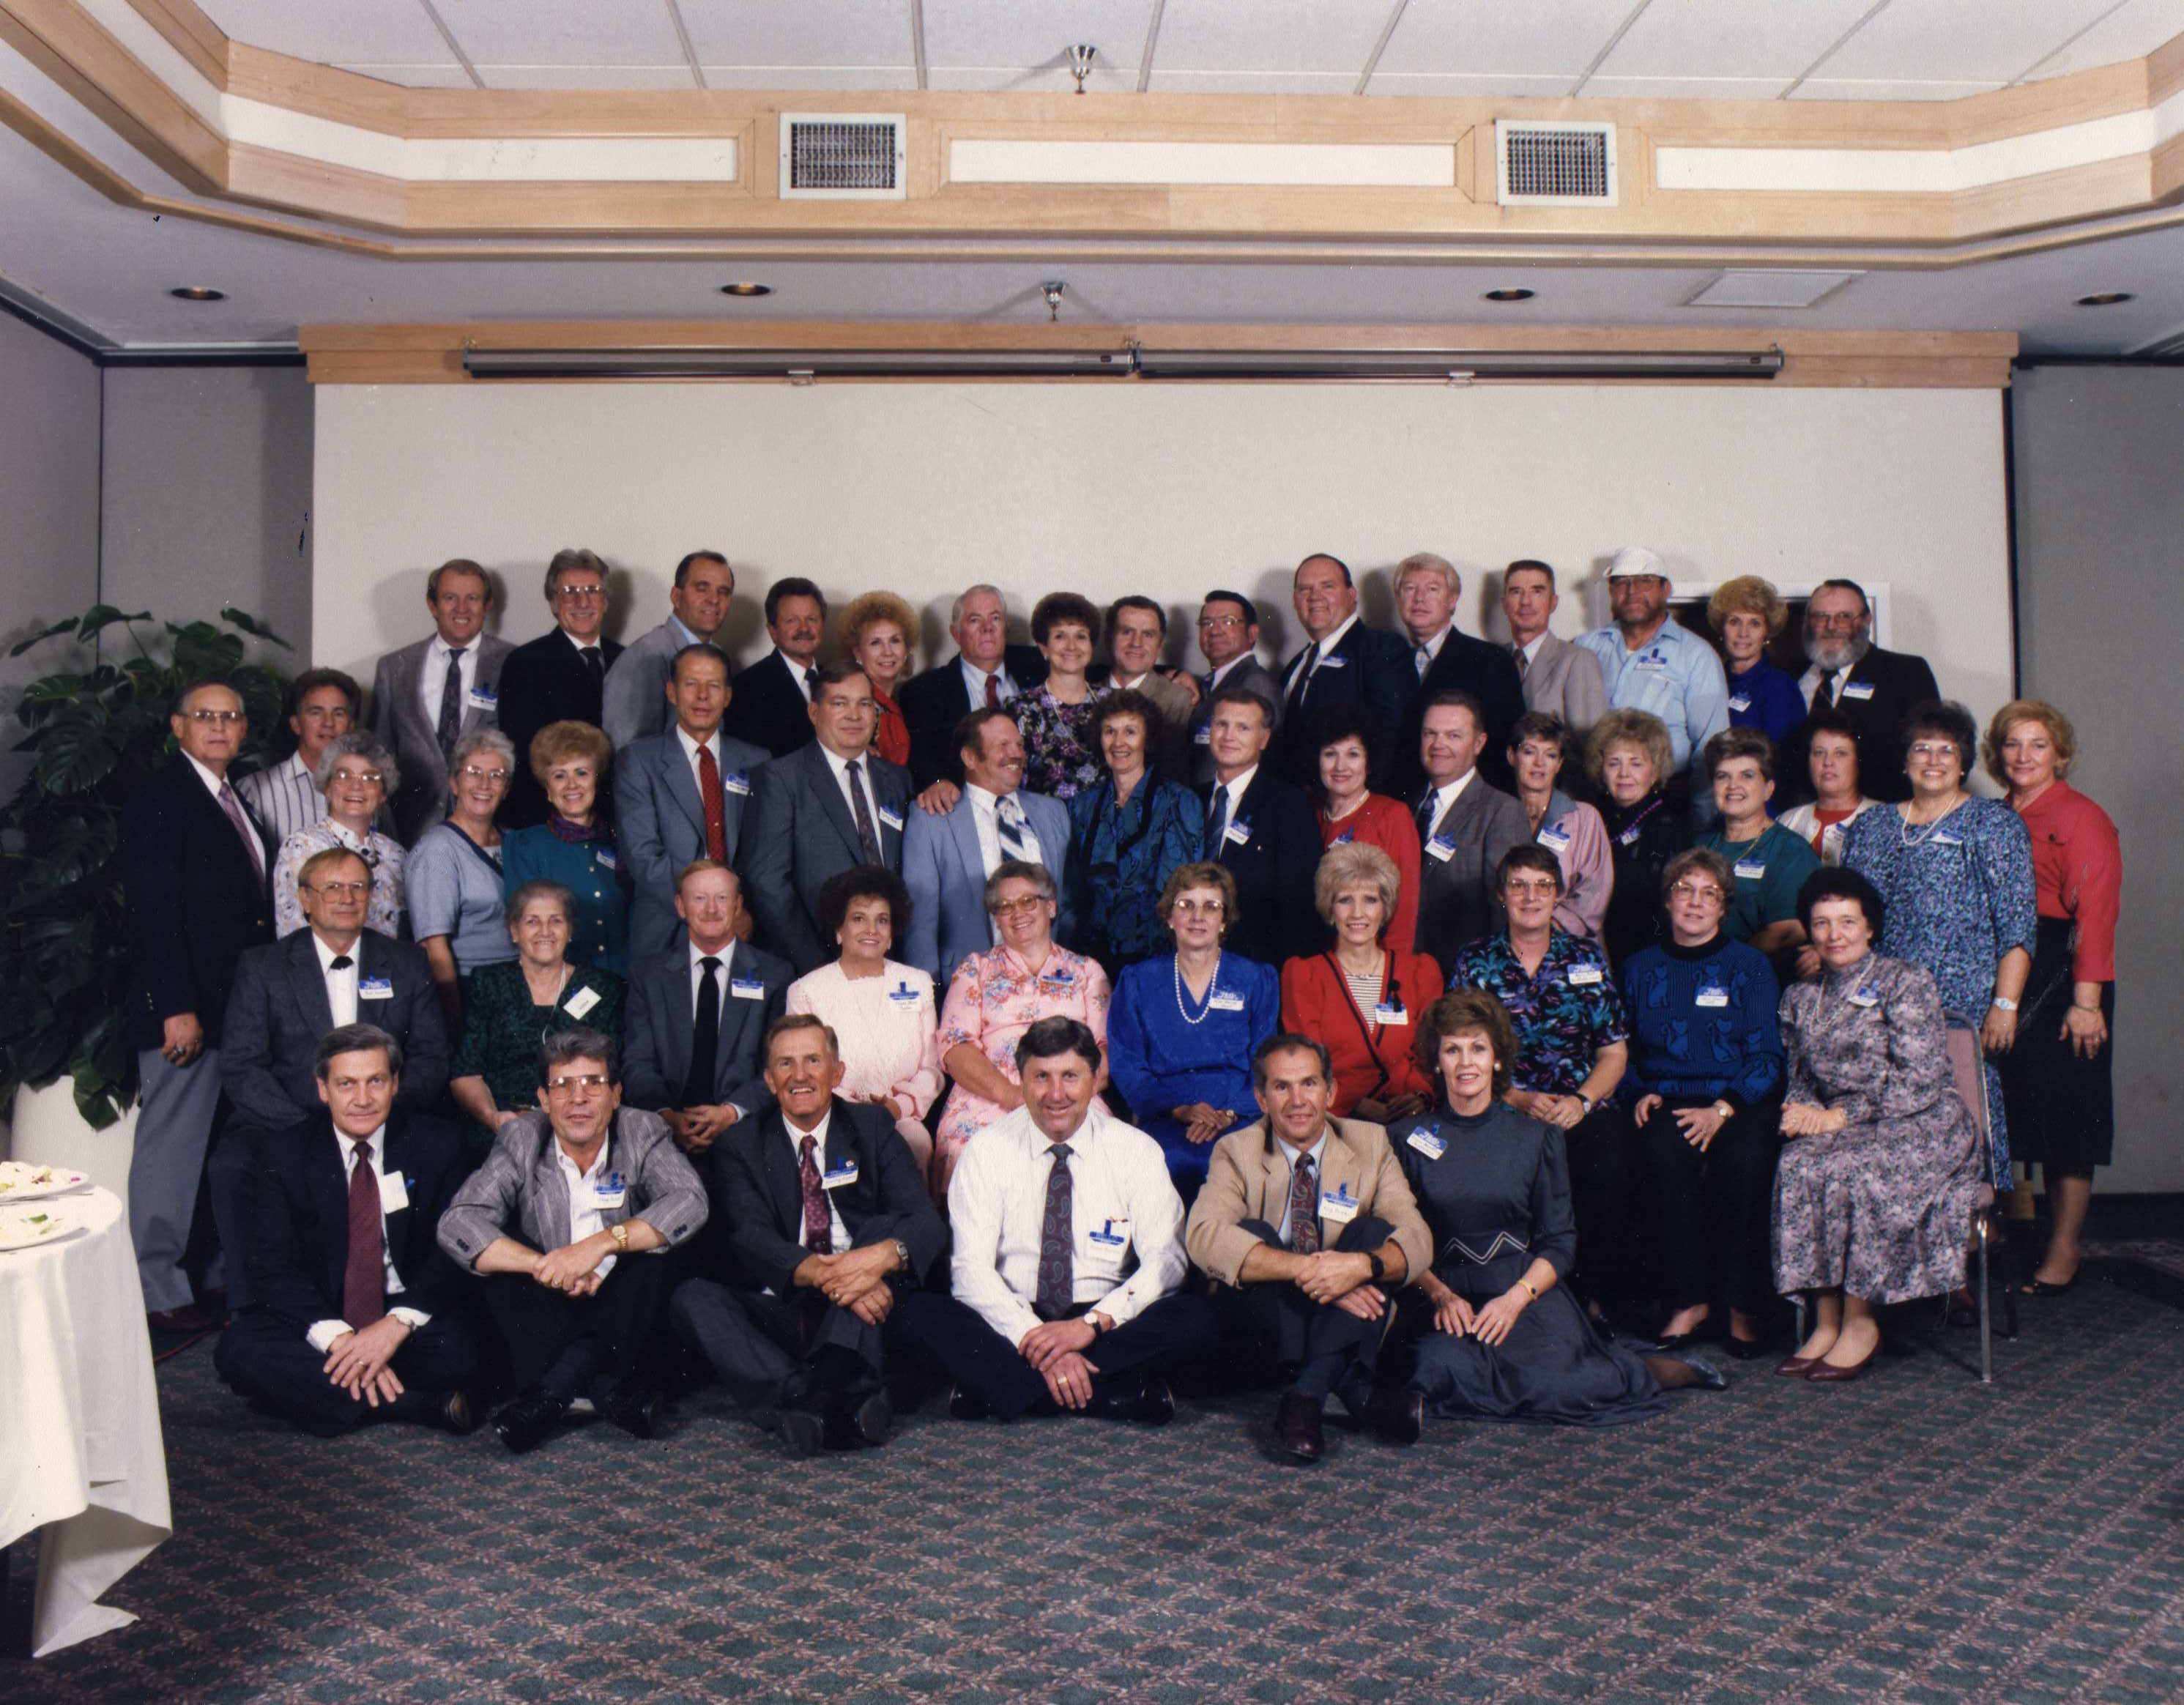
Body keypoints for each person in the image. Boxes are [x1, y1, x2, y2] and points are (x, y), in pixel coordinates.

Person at [1392, 991, 1717, 1426]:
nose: (1466, 1062)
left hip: (1523, 1290)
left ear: (1497, 1059)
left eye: (1478, 1048)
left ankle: (1650, 1371)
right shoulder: (1405, 1138)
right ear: (1436, 1061)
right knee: (1432, 1368)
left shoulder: (1535, 1138)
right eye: (1453, 1049)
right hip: (1445, 1293)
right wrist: (1440, 1295)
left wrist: (1513, 1302)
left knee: (1561, 1385)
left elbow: (1560, 1242)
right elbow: (1397, 1236)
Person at [892, 1017, 1216, 1425]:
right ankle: (1112, 1396)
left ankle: (1005, 1392)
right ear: (1021, 1080)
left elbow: (1166, 1261)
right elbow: (970, 1270)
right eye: (1041, 1077)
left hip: (1102, 1319)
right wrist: (1031, 1335)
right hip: (1011, 1317)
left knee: (1196, 1318)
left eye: (1070, 1076)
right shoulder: (986, 1150)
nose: (1056, 1094)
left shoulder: (1135, 1150)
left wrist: (1090, 1325)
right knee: (915, 1312)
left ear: (1095, 1079)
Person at [669, 1014, 946, 1455]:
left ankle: (810, 1406)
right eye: (785, 1064)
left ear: (836, 1072)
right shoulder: (741, 1142)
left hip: (867, 1297)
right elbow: (750, 1236)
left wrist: (874, 1260)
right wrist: (829, 1275)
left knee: (876, 1235)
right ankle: (835, 1394)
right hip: (792, 1296)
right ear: (768, 1079)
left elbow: (922, 1220)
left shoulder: (872, 1126)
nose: (800, 1076)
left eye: (813, 1061)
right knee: (692, 1299)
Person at [439, 1027, 710, 1451]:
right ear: (544, 1100)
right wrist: (544, 1265)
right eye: (562, 1086)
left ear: (616, 1094)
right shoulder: (522, 1138)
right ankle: (607, 1392)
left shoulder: (642, 1131)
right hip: (550, 1300)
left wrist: (598, 1246)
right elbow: (459, 1221)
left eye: (593, 1083)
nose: (578, 1098)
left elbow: (689, 1201)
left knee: (657, 1256)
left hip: (623, 1299)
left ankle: (551, 1395)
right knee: (498, 1256)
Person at [214, 1025, 478, 1437]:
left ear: (395, 1084)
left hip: (404, 1315)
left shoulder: (440, 1143)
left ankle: (330, 1392)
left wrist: (395, 1326)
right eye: (346, 1084)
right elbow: (271, 1265)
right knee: (240, 1351)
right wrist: (339, 1340)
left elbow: (452, 1252)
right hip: (327, 1313)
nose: (361, 1099)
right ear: (323, 1089)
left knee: (464, 1348)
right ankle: (416, 1405)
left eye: (375, 1081)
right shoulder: (284, 1152)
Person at [1773, 869, 1983, 1382]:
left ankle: (1861, 1320)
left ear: (1870, 927)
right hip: (1842, 1124)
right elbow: (1800, 1079)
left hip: (1923, 1121)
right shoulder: (1800, 997)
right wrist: (1800, 1115)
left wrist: (1836, 1118)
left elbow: (1922, 1079)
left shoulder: (1904, 981)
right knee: (1799, 1163)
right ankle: (1824, 1321)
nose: (1834, 934)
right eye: (1821, 923)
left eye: (1848, 921)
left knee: (1855, 1166)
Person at [1184, 1034, 1432, 1463]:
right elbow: (1203, 1235)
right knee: (1252, 1230)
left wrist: (1360, 1266)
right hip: (1269, 1324)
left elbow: (1417, 1238)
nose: (1297, 1101)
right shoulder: (1236, 1150)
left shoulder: (1371, 1143)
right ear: (1261, 1099)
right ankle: (1358, 1395)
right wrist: (1308, 1272)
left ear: (1331, 1092)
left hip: (1346, 1310)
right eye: (1282, 1087)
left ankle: (1305, 1399)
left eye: (1309, 1084)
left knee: (1372, 1230)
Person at [120, 678, 275, 1329]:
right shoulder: (162, 796)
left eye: (231, 717)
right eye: (204, 716)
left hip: (229, 1008)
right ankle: (155, 1292)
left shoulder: (230, 798)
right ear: (177, 727)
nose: (219, 726)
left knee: (213, 1149)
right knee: (172, 1149)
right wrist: (174, 1006)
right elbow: (155, 913)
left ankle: (203, 1279)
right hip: (186, 1011)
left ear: (244, 731)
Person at [1844, 700, 2035, 1193]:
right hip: (1882, 1005)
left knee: (1963, 1119)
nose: (1933, 759)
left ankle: (1967, 1247)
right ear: (1904, 760)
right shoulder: (1871, 827)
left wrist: (2005, 1005)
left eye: (1946, 750)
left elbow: (2017, 926)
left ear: (1965, 761)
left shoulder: (1993, 824)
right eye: (1921, 749)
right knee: (1888, 1124)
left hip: (1963, 1006)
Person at [1449, 846, 1635, 1312]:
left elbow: (1614, 1052)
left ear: (1559, 896)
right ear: (1500, 895)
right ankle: (1523, 1300)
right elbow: (1455, 1049)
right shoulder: (1475, 962)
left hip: (1579, 1105)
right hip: (1501, 1105)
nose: (1530, 897)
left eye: (1543, 886)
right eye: (1518, 885)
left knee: (1609, 1156)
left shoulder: (1586, 958)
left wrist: (1582, 1101)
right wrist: (1514, 1096)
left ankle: (1592, 1301)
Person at [1619, 850, 1784, 1358]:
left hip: (1736, 1096)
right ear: (1668, 901)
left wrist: (1724, 1110)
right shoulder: (1639, 966)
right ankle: (1689, 1301)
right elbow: (1616, 1048)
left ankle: (1741, 1305)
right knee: (1663, 1161)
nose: (1695, 902)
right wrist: (1635, 1090)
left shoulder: (1749, 966)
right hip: (1665, 1096)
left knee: (1746, 1164)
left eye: (1708, 893)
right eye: (1685, 890)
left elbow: (1766, 1055)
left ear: (1723, 907)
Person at [1986, 701, 2122, 1297]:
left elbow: (2095, 914)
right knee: (2008, 1103)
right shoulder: (1991, 814)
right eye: (2013, 744)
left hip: (2067, 974)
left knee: (2068, 1110)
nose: (2023, 756)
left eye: (2038, 745)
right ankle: (2008, 1231)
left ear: (2059, 754)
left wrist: (2086, 1002)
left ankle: (2065, 1246)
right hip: (2002, 967)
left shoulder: (2084, 816)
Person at [221, 847, 450, 1143]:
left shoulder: (407, 963)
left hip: (384, 1119)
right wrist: (306, 1129)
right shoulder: (263, 967)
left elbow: (432, 1057)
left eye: (358, 887)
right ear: (305, 899)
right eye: (332, 888)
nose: (347, 899)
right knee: (233, 1166)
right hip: (290, 1123)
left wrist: (374, 1114)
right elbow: (242, 1067)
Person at [932, 861, 1110, 1194]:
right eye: (1005, 907)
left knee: (1100, 1152)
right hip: (990, 1094)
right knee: (965, 1152)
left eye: (1028, 901)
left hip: (1070, 1094)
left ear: (1051, 906)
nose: (1018, 914)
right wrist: (1014, 1096)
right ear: (996, 918)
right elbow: (955, 1049)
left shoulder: (1087, 971)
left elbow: (1103, 1052)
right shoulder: (976, 968)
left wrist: (1058, 1095)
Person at [1106, 863, 1279, 1199]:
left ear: (1224, 920)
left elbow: (1267, 1061)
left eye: (1211, 906)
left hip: (1241, 1113)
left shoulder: (1256, 979)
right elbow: (1127, 1065)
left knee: (1245, 1162)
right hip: (1165, 1116)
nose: (1198, 916)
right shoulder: (1138, 981)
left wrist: (1229, 1113)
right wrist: (1178, 1109)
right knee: (1168, 1160)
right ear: (1170, 917)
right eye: (1186, 905)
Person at [742, 665, 912, 976]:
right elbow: (767, 883)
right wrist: (822, 968)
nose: (854, 715)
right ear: (814, 712)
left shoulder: (897, 780)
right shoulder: (781, 778)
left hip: (890, 966)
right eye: (839, 703)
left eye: (864, 704)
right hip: (814, 965)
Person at [621, 862, 791, 1159]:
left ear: (738, 905)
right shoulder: (648, 976)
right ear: (680, 906)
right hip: (665, 1134)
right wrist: (667, 1117)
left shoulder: (775, 975)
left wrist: (730, 1112)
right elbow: (638, 1063)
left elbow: (778, 1067)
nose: (711, 909)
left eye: (722, 898)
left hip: (747, 1130)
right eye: (699, 898)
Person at [784, 866, 944, 1182]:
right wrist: (856, 1112)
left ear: (891, 933)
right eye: (859, 918)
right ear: (839, 930)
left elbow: (932, 1067)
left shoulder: (918, 983)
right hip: (834, 1118)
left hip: (902, 1118)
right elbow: (804, 1068)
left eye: (882, 920)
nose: (871, 929)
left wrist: (899, 1107)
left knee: (917, 1144)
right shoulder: (806, 992)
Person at [614, 644, 770, 962]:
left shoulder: (757, 762)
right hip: (666, 928)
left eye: (713, 685)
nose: (702, 696)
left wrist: (736, 912)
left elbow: (765, 856)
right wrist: (708, 913)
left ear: (727, 696)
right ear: (671, 692)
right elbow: (644, 857)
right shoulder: (639, 761)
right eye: (691, 684)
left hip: (743, 927)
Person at [902, 708, 1073, 985]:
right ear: (970, 757)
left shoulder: (1054, 813)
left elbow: (1068, 907)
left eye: (1019, 745)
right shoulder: (932, 819)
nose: (1015, 754)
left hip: (1048, 984)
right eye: (1002, 746)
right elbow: (919, 922)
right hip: (968, 988)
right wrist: (927, 992)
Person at [449, 881, 627, 1138]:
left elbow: (610, 1074)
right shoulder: (489, 983)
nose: (545, 931)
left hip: (581, 1123)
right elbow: (465, 1074)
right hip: (503, 1127)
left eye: (556, 921)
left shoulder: (601, 986)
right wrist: (495, 1119)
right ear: (514, 931)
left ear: (570, 931)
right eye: (532, 922)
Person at [1279, 842, 1441, 1123]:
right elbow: (1306, 1066)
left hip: (1408, 1118)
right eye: (1345, 900)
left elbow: (1432, 1055)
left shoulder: (1419, 972)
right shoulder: (1304, 975)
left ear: (1385, 908)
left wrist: (1420, 1097)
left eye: (1370, 900)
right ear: (1330, 909)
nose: (1357, 913)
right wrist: (1354, 1103)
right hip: (1333, 1119)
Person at [368, 558, 513, 844]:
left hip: (491, 830)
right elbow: (379, 753)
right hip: (411, 828)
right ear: (432, 606)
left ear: (487, 606)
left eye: (472, 598)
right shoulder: (394, 667)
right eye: (450, 598)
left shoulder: (514, 663)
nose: (462, 608)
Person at [1575, 546, 1729, 812]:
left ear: (1666, 589)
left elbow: (1711, 748)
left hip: (1668, 804)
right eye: (1622, 583)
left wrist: (1701, 822)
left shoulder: (1696, 655)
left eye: (1645, 582)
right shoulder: (1585, 648)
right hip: (1594, 803)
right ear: (1611, 591)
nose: (1632, 591)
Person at [1065, 689, 1203, 973]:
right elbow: (1074, 889)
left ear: (1147, 738)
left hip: (1157, 957)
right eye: (1109, 732)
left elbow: (1182, 891)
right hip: (1090, 958)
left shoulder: (1179, 800)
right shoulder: (1082, 806)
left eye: (1130, 731)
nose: (1119, 743)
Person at [494, 548, 623, 828]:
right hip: (552, 820)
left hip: (619, 817)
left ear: (606, 601)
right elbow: (524, 754)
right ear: (554, 603)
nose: (582, 601)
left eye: (592, 590)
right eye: (569, 591)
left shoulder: (628, 659)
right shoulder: (525, 662)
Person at [1785, 578, 1941, 806]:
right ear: (1808, 622)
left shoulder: (1905, 672)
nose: (1831, 627)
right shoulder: (1790, 676)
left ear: (1867, 620)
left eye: (1844, 617)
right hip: (1802, 820)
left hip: (1882, 818)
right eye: (1821, 617)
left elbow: (1929, 756)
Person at [1198, 687, 1321, 967]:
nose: (1229, 736)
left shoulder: (1289, 805)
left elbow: (1298, 906)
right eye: (1221, 724)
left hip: (1255, 965)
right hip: (1190, 961)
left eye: (1243, 728)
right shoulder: (1191, 798)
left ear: (1264, 739)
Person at [406, 727, 519, 1033]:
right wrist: (458, 1024)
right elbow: (434, 947)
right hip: (471, 993)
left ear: (506, 788)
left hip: (521, 987)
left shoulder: (514, 841)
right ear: (454, 783)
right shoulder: (437, 849)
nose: (484, 784)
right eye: (473, 773)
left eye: (496, 775)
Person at [1410, 690, 1530, 967]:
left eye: (1453, 736)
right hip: (1407, 975)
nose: (1438, 744)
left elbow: (1506, 911)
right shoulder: (1407, 807)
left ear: (1479, 743)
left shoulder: (1501, 811)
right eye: (1430, 734)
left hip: (1465, 978)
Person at [501, 721, 631, 975]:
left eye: (581, 773)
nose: (572, 785)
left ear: (596, 780)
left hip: (627, 979)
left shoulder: (620, 841)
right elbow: (525, 927)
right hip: (562, 985)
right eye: (560, 775)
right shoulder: (524, 846)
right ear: (548, 789)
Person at [1391, 551, 1525, 795]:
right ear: (1398, 599)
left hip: (1468, 807)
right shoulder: (1387, 660)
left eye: (1432, 590)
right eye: (1409, 589)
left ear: (1452, 600)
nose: (1419, 599)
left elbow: (1504, 748)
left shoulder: (1490, 660)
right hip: (1401, 804)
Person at [1274, 553, 1411, 776]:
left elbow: (1390, 739)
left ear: (1351, 595)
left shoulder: (1382, 649)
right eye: (1305, 589)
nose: (1315, 597)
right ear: (1294, 600)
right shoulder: (1295, 666)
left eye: (1327, 586)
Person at [899, 584, 1049, 789]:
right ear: (956, 634)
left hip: (1037, 798)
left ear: (1006, 627)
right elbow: (921, 758)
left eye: (995, 618)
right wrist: (938, 782)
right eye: (975, 620)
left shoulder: (1040, 665)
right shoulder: (925, 691)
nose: (987, 627)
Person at [1695, 728, 1819, 961]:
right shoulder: (1699, 846)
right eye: (1723, 776)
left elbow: (1786, 932)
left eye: (1747, 776)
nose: (1733, 786)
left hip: (1757, 978)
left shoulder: (1791, 852)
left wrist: (1721, 965)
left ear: (1768, 789)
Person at [270, 730, 407, 940]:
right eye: (343, 776)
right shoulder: (302, 848)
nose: (356, 786)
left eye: (370, 778)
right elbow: (293, 937)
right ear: (327, 788)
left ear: (383, 794)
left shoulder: (396, 854)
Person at [1310, 702, 1421, 955]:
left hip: (1373, 960)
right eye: (1330, 754)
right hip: (1319, 959)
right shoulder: (1310, 814)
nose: (1340, 767)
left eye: (1353, 754)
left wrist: (1392, 969)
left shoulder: (1391, 815)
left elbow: (1404, 907)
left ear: (1369, 762)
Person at [600, 549, 736, 749]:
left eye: (723, 592)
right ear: (676, 596)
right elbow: (630, 755)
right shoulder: (644, 657)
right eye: (702, 588)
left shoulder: (718, 656)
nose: (714, 599)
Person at [1589, 709, 1690, 968]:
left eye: (1636, 763)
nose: (1624, 774)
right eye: (1614, 763)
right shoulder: (1594, 818)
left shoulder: (1668, 827)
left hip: (1647, 956)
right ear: (1601, 770)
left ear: (1655, 771)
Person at [1507, 711, 1611, 944]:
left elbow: (1594, 892)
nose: (1539, 763)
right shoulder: (1497, 813)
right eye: (1529, 751)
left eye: (1550, 755)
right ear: (1512, 756)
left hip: (1568, 941)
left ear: (1559, 764)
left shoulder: (1585, 817)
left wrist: (1549, 927)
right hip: (1508, 940)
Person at [237, 668, 361, 848]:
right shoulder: (255, 790)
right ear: (296, 724)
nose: (328, 723)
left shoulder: (369, 790)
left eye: (339, 713)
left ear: (351, 726)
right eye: (316, 712)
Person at [1013, 592, 1110, 800]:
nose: (1072, 646)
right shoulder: (1021, 708)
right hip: (1045, 825)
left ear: (1092, 647)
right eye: (1060, 636)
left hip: (1106, 824)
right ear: (1044, 648)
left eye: (1081, 636)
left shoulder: (1113, 703)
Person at [1501, 560, 1606, 743]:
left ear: (1553, 603)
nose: (1526, 602)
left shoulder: (1577, 661)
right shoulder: (1493, 659)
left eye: (1537, 591)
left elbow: (1589, 747)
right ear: (1504, 604)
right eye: (1516, 592)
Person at [722, 576, 827, 758]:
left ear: (823, 625)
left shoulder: (834, 679)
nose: (804, 628)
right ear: (773, 632)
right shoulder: (747, 688)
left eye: (812, 619)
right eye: (791, 621)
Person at [1186, 590, 1282, 785]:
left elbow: (1261, 764)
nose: (1215, 630)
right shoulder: (1211, 681)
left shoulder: (1254, 683)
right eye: (1207, 623)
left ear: (1252, 633)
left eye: (1228, 621)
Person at [1102, 595, 1197, 780]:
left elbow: (1171, 773)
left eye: (1148, 635)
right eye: (1127, 632)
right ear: (1108, 639)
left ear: (1159, 645)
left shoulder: (1176, 699)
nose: (1136, 643)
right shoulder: (1086, 690)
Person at [1708, 574, 1805, 749]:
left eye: (1755, 623)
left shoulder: (1778, 685)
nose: (1743, 633)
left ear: (1767, 633)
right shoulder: (1709, 678)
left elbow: (1780, 757)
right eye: (1734, 621)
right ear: (1721, 629)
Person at [1776, 707, 1873, 867]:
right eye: (1819, 753)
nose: (1828, 762)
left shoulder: (1882, 818)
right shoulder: (1787, 822)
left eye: (1841, 753)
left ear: (1858, 761)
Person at [838, 590, 918, 768]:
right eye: (875, 643)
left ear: (906, 650)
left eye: (895, 641)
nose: (888, 652)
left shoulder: (908, 700)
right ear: (858, 652)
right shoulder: (852, 703)